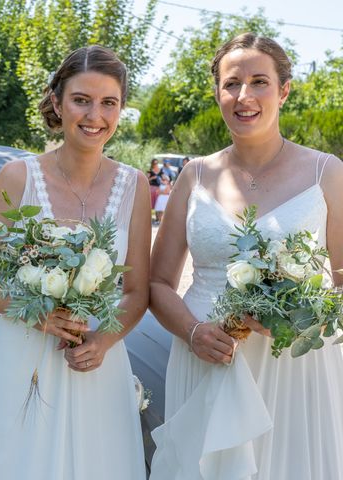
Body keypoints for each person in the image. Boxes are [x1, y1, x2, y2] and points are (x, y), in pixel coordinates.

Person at [149, 32, 343, 480]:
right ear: (217, 91)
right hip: (207, 360)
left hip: (297, 366)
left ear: (284, 90)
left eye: (259, 82)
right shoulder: (194, 176)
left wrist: (306, 317)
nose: (244, 96)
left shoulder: (325, 172)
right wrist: (194, 331)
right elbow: (158, 283)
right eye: (231, 83)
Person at [0, 45, 151, 480]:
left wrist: (105, 341)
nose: (94, 115)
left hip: (97, 362)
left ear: (120, 110)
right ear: (57, 103)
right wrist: (40, 316)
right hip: (24, 357)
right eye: (81, 99)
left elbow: (137, 291)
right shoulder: (18, 177)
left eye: (108, 102)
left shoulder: (135, 185)